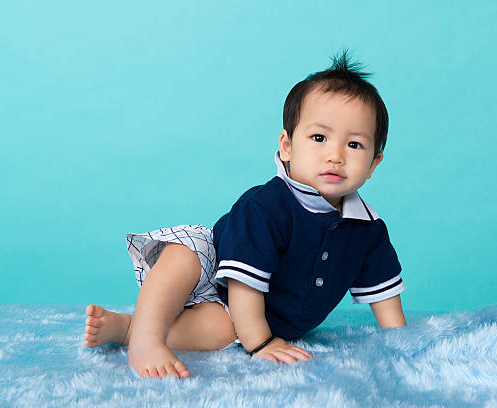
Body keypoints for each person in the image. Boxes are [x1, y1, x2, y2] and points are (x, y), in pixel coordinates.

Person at [83, 49, 407, 379]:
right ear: (287, 146)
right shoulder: (268, 207)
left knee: (223, 330)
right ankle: (145, 339)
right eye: (319, 138)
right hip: (214, 268)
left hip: (244, 314)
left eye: (354, 145)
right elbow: (242, 284)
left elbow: (385, 296)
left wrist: (401, 346)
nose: (335, 155)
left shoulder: (367, 230)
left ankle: (124, 329)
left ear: (373, 164)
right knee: (185, 255)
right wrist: (261, 343)